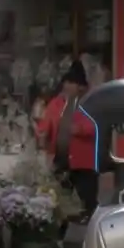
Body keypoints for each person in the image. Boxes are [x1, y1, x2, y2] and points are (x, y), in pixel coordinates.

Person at [37, 63, 97, 218]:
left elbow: (96, 126)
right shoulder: (57, 103)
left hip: (83, 162)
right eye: (66, 82)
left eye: (71, 83)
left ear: (80, 86)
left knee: (87, 203)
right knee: (57, 199)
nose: (67, 86)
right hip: (61, 160)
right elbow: (46, 122)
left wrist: (79, 130)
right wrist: (42, 133)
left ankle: (88, 233)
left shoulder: (89, 102)